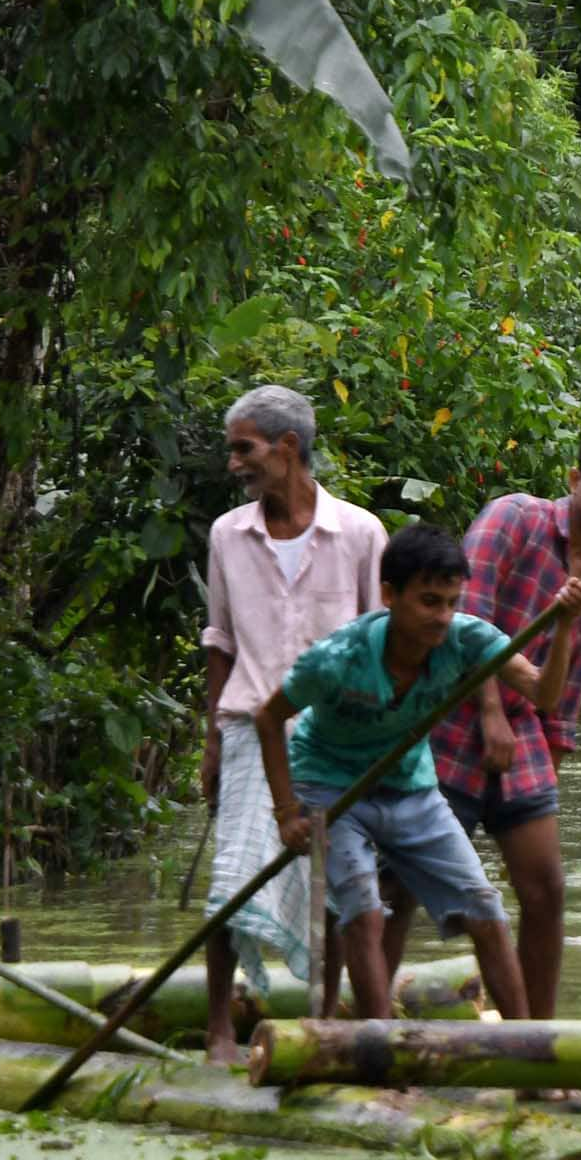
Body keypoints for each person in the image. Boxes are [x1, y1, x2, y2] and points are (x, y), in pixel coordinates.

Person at [256, 525, 581, 1022]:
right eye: (429, 602)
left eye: (451, 601)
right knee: (363, 914)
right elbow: (268, 716)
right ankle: (378, 1049)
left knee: (486, 909)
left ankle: (526, 1050)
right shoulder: (338, 658)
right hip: (330, 784)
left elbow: (543, 693)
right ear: (390, 595)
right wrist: (286, 813)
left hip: (410, 786)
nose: (442, 617)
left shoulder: (466, 637)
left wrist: (562, 628)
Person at [431, 426, 581, 1021]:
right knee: (397, 890)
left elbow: (561, 704)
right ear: (574, 480)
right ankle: (364, 1021)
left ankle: (535, 1035)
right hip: (449, 714)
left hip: (522, 731)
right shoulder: (515, 518)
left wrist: (543, 779)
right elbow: (460, 618)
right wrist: (491, 711)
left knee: (546, 889)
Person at [198, 384, 390, 1063]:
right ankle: (219, 1028)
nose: (234, 463)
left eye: (243, 449)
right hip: (252, 724)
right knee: (232, 876)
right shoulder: (229, 534)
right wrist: (212, 742)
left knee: (335, 877)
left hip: (338, 733)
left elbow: (381, 637)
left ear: (287, 448)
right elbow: (220, 640)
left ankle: (326, 1012)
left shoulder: (361, 533)